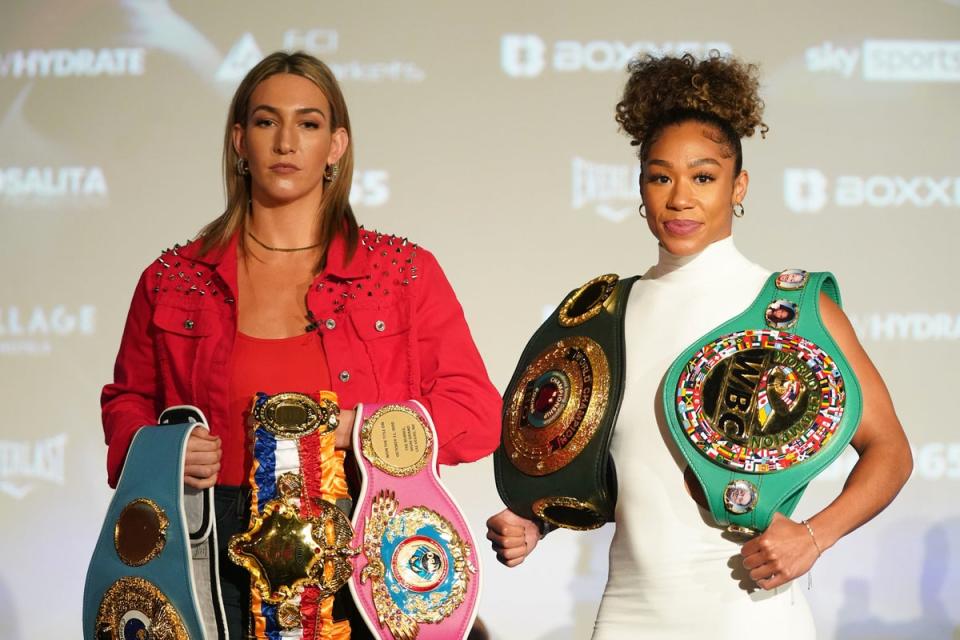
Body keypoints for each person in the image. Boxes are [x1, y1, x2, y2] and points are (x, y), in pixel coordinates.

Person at [486, 52, 912, 638]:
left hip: (752, 615)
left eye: (703, 177)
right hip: (628, 616)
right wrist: (538, 523)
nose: (680, 198)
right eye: (661, 177)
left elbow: (891, 451)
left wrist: (814, 535)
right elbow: (613, 469)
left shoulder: (793, 308)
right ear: (641, 188)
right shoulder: (604, 313)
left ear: (739, 186)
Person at [101, 51, 501, 639]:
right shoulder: (173, 277)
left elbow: (476, 413)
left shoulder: (401, 272)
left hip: (368, 555)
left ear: (336, 144)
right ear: (240, 140)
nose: (286, 141)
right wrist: (165, 453)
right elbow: (126, 402)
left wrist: (359, 429)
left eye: (308, 124)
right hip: (210, 556)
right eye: (266, 122)